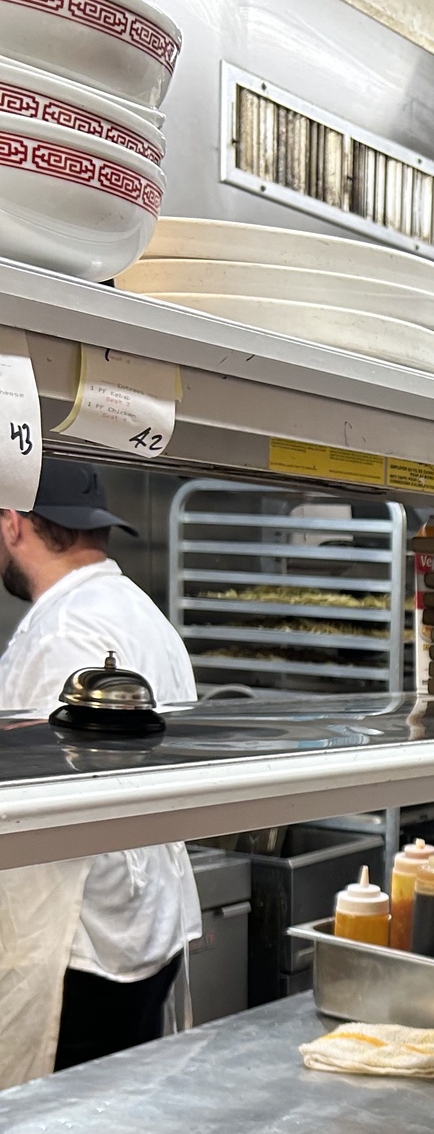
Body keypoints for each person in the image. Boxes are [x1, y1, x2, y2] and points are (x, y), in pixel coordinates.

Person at [0, 459, 200, 1073]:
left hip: (84, 944)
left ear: (12, 525)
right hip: (145, 930)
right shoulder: (138, 611)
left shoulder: (65, 632)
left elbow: (58, 794)